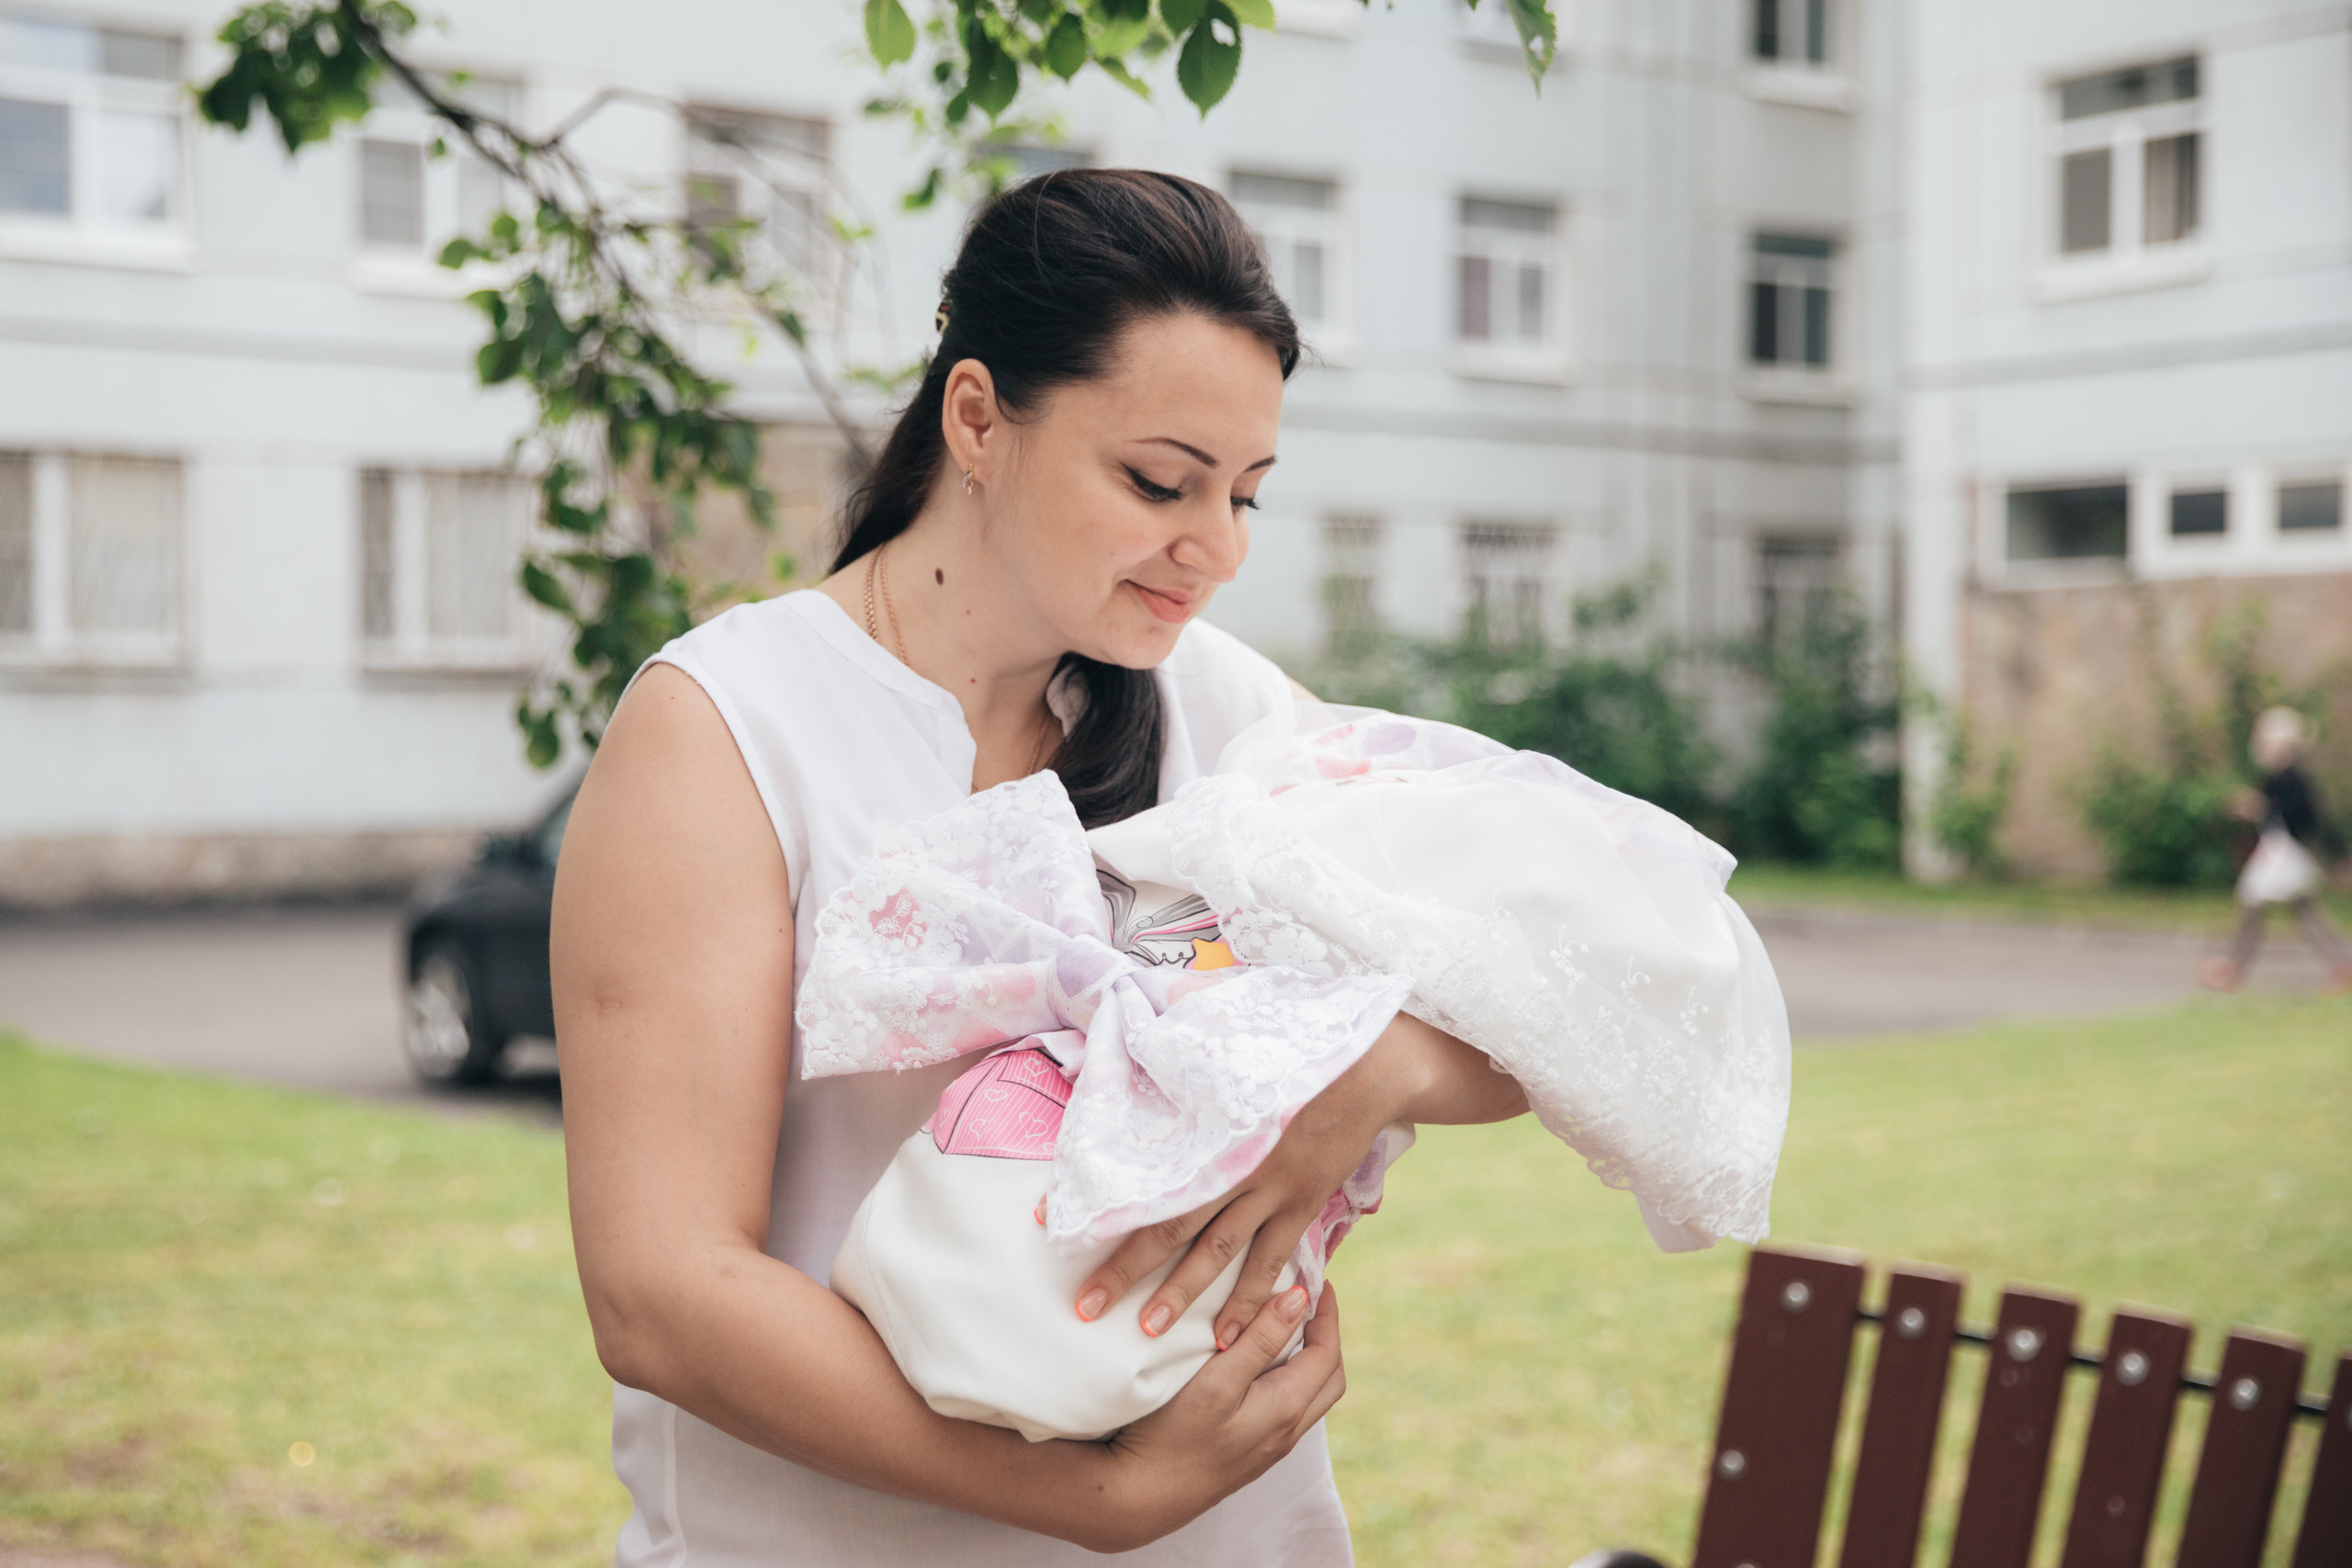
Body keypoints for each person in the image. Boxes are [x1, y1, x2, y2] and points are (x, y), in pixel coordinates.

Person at [550, 169, 1527, 1566]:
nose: (1216, 549)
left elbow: (1550, 1001)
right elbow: (661, 1288)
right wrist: (1100, 1501)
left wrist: (1374, 1074)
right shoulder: (727, 731)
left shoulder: (1237, 718)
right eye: (1159, 481)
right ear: (977, 417)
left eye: (1246, 494)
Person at [2200, 706, 2352, 993]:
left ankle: (2232, 966)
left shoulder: (2291, 777)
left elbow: (2299, 815)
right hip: (2280, 852)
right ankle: (2341, 964)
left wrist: (2259, 807)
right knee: (2300, 910)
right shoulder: (2279, 777)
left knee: (2256, 904)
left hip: (2282, 854)